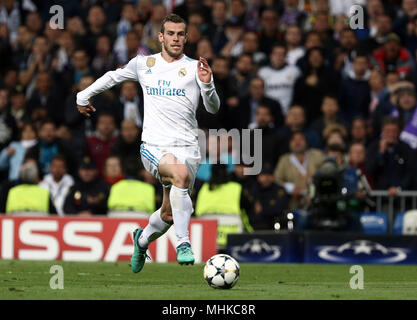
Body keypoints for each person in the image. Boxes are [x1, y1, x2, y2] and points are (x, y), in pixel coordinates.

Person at [76, 14, 220, 271]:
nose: (176, 39)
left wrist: (208, 85)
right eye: (171, 34)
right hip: (154, 147)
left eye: (180, 34)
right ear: (161, 36)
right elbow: (112, 77)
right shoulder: (144, 64)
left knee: (167, 213)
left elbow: (213, 109)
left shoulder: (195, 67)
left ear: (186, 38)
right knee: (180, 174)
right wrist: (83, 95)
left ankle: (141, 241)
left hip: (187, 147)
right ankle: (183, 242)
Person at [195, 164, 253, 249]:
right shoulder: (236, 187)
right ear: (227, 172)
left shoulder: (204, 188)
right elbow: (247, 208)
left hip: (207, 231)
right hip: (232, 231)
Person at [274, 131, 324, 210]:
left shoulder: (317, 155)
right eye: (294, 140)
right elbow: (277, 179)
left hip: (318, 200)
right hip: (293, 204)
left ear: (306, 142)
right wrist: (290, 188)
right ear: (290, 143)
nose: (297, 142)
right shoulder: (284, 159)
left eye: (301, 139)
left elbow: (326, 171)